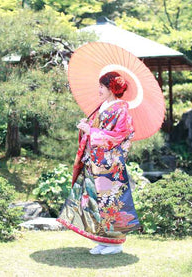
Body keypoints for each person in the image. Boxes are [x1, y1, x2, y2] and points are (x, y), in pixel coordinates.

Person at [57, 71, 140, 255]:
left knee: (110, 202)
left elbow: (121, 135)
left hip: (110, 164)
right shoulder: (103, 106)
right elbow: (96, 129)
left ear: (111, 89)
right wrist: (86, 128)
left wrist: (92, 132)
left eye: (102, 86)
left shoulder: (121, 109)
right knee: (94, 200)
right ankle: (102, 240)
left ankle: (115, 243)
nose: (99, 90)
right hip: (94, 161)